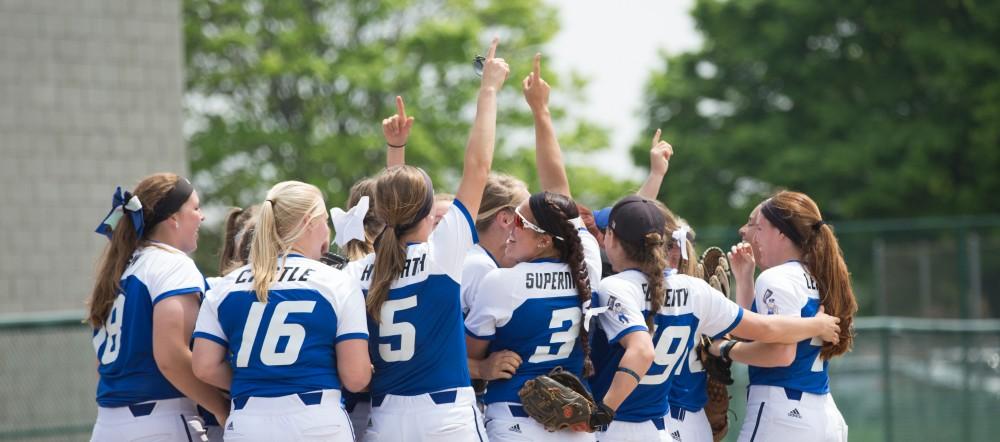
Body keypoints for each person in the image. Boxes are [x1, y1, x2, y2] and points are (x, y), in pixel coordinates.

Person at [342, 37, 507, 442]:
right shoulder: (442, 254)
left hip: (385, 417)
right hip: (445, 414)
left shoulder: (358, 268)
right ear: (430, 208)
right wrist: (488, 91)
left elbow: (392, 213)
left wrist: (395, 151)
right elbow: (479, 165)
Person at [588, 195, 843, 442]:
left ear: (611, 237)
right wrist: (817, 324)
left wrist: (601, 412)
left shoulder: (613, 287)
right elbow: (765, 328)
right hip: (661, 429)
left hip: (616, 426)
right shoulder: (694, 288)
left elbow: (641, 352)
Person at [464, 53, 602, 442]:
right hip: (575, 423)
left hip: (515, 420)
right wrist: (541, 111)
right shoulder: (586, 262)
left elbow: (462, 354)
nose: (509, 229)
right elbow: (560, 195)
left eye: (519, 224)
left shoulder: (501, 282)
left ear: (544, 239)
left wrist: (484, 368)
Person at [191, 181, 372, 441]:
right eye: (325, 221)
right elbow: (355, 377)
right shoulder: (336, 281)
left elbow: (205, 366)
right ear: (310, 221)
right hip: (316, 420)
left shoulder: (225, 286)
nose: (327, 231)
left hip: (247, 421)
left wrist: (262, 381)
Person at [88, 173, 229, 441]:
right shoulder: (171, 263)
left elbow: (101, 364)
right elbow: (170, 358)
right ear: (173, 218)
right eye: (196, 208)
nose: (202, 217)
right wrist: (221, 408)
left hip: (107, 425)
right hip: (160, 422)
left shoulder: (119, 269)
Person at [714, 191, 856, 442]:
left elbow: (781, 353)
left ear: (781, 233)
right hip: (823, 415)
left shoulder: (777, 278)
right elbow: (759, 332)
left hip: (783, 414)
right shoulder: (821, 275)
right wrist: (745, 280)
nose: (755, 237)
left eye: (760, 228)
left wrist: (724, 348)